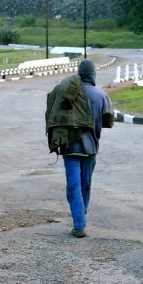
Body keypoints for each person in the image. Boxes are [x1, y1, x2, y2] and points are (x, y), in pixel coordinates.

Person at [46, 58, 114, 238]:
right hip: (91, 148)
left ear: (79, 72)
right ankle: (80, 219)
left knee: (74, 187)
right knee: (85, 186)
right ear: (93, 74)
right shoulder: (101, 95)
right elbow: (109, 122)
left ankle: (79, 225)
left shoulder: (66, 92)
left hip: (70, 148)